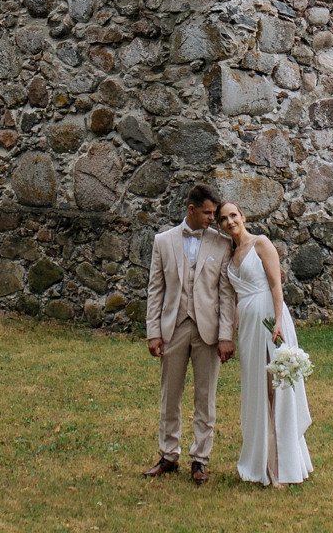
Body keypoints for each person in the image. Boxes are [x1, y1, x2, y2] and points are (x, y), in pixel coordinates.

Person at [143, 185, 238, 484]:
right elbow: (155, 289)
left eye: (215, 213)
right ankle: (168, 455)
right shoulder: (163, 241)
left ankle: (200, 459)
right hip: (173, 328)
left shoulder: (222, 245)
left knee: (205, 397)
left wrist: (226, 335)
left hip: (208, 331)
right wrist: (153, 332)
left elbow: (226, 294)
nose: (214, 218)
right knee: (170, 395)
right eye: (208, 213)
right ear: (191, 210)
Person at [217, 201, 313, 488]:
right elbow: (236, 299)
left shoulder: (261, 243)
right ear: (220, 225)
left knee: (276, 390)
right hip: (247, 325)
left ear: (243, 217)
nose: (230, 221)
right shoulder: (230, 255)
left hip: (270, 320)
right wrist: (230, 334)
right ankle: (257, 461)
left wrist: (280, 322)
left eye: (234, 215)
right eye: (223, 219)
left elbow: (275, 285)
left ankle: (280, 467)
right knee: (256, 389)